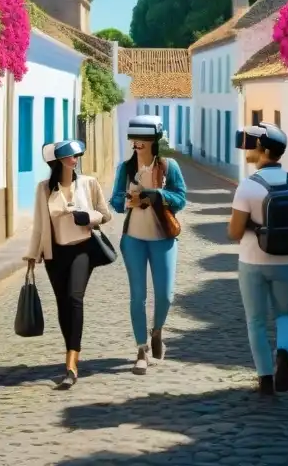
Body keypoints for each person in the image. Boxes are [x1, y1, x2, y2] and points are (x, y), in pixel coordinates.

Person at [227, 122, 288, 395]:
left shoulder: (247, 187)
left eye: (251, 145)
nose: (246, 150)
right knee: (286, 315)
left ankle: (265, 377)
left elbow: (234, 232)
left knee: (255, 320)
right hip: (287, 262)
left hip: (252, 263)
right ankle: (284, 353)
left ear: (263, 150)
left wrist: (254, 226)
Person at [25, 139, 113, 389]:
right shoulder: (44, 189)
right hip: (56, 255)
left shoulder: (88, 183)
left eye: (77, 156)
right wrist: (32, 255)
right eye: (70, 157)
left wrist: (90, 217)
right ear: (57, 161)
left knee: (75, 298)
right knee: (63, 304)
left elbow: (105, 214)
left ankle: (71, 365)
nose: (75, 160)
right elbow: (40, 226)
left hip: (83, 249)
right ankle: (70, 352)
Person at [110, 115, 188, 374]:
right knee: (137, 296)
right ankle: (141, 349)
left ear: (154, 140)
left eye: (142, 139)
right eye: (134, 139)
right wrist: (127, 201)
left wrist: (157, 195)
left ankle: (157, 331)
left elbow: (181, 198)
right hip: (133, 239)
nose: (137, 144)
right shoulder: (126, 168)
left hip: (163, 239)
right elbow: (115, 201)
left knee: (165, 295)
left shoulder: (169, 167)